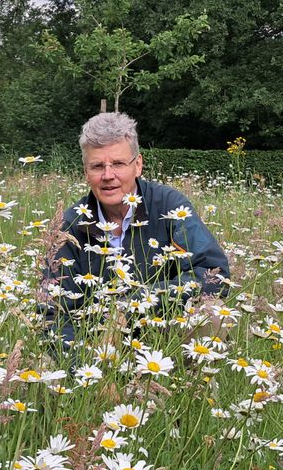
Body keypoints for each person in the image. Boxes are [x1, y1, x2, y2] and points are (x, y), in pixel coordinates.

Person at [42, 112, 230, 349]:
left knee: (211, 314)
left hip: (165, 331)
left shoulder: (169, 207)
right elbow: (53, 313)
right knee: (48, 362)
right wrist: (84, 373)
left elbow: (214, 273)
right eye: (98, 166)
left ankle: (189, 384)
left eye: (118, 164)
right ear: (85, 171)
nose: (108, 176)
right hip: (96, 342)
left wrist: (133, 304)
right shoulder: (69, 226)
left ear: (138, 165)